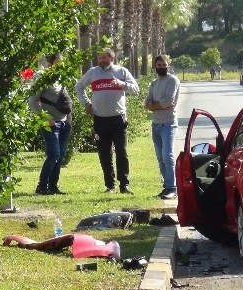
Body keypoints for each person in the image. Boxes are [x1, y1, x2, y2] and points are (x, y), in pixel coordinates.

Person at [75, 48, 139, 194]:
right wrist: (86, 103)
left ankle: (124, 185)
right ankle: (110, 185)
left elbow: (136, 89)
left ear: (112, 58)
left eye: (104, 58)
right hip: (100, 119)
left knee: (121, 152)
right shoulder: (92, 72)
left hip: (118, 119)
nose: (101, 61)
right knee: (104, 153)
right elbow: (79, 87)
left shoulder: (121, 71)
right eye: (99, 58)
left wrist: (122, 84)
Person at [29, 53, 73, 195]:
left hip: (64, 123)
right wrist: (45, 119)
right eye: (58, 62)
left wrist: (69, 121)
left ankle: (53, 186)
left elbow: (65, 101)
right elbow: (33, 101)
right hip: (51, 124)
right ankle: (41, 186)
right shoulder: (43, 77)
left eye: (62, 63)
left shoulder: (61, 78)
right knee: (54, 154)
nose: (61, 65)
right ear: (50, 63)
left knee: (59, 157)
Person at [145, 55, 180, 200]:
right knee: (160, 157)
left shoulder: (173, 80)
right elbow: (147, 102)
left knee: (168, 155)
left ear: (168, 65)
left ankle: (172, 187)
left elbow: (169, 101)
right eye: (158, 65)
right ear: (155, 66)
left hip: (169, 123)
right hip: (156, 124)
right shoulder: (154, 83)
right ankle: (166, 186)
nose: (161, 67)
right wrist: (154, 106)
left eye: (163, 64)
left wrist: (154, 106)